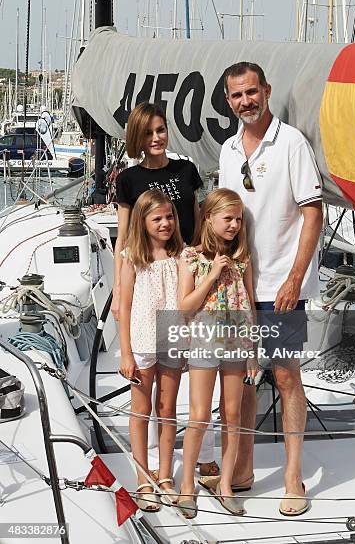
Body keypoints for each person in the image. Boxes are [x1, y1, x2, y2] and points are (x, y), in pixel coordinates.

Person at [201, 62, 323, 516]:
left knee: (287, 376)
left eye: (251, 92)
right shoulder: (229, 150)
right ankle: (244, 467)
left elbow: (313, 213)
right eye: (236, 96)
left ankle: (293, 477)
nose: (245, 102)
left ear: (266, 91)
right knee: (242, 380)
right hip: (236, 287)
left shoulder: (291, 144)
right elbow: (224, 216)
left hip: (280, 284)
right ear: (228, 100)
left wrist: (294, 278)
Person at [114, 101, 218, 478]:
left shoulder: (186, 170)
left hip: (184, 273)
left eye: (161, 130)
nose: (156, 138)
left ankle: (191, 462)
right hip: (145, 299)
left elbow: (200, 219)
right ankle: (147, 472)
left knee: (183, 394)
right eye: (149, 132)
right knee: (146, 403)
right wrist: (117, 287)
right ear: (137, 137)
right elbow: (125, 236)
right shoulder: (129, 179)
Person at [177, 188, 259, 518]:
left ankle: (225, 484)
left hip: (237, 345)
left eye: (239, 219)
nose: (235, 225)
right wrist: (211, 273)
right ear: (209, 218)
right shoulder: (191, 257)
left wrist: (252, 352)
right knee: (199, 415)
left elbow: (249, 305)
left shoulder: (243, 260)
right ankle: (186, 486)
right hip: (203, 343)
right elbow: (185, 306)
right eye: (228, 218)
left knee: (233, 415)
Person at [119, 189, 184, 512]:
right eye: (157, 218)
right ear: (142, 222)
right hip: (143, 336)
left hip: (172, 335)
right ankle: (143, 475)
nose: (165, 223)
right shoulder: (132, 256)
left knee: (167, 407)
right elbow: (125, 306)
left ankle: (166, 474)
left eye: (169, 216)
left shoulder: (181, 255)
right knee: (141, 409)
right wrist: (125, 352)